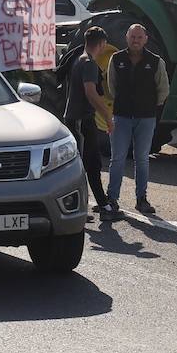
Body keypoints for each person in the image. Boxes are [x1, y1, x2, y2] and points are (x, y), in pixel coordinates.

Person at [103, 23, 169, 219]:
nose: (136, 40)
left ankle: (142, 199)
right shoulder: (116, 59)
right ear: (127, 38)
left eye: (139, 37)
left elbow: (163, 90)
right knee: (117, 159)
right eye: (133, 37)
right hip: (121, 117)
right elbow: (111, 86)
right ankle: (112, 199)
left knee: (142, 160)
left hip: (146, 118)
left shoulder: (156, 62)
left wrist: (147, 106)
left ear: (145, 39)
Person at [63, 26, 112, 219]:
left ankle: (102, 204)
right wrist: (108, 116)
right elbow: (91, 92)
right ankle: (85, 208)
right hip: (81, 120)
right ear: (101, 44)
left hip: (80, 119)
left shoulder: (79, 59)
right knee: (84, 165)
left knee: (91, 164)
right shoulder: (89, 63)